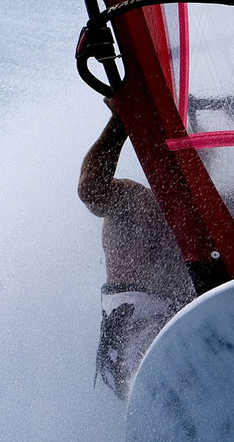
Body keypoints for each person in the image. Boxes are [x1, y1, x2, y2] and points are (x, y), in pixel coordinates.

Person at [78, 109, 196, 398]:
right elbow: (90, 190)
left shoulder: (210, 214)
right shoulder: (135, 201)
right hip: (128, 341)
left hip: (175, 333)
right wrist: (120, 120)